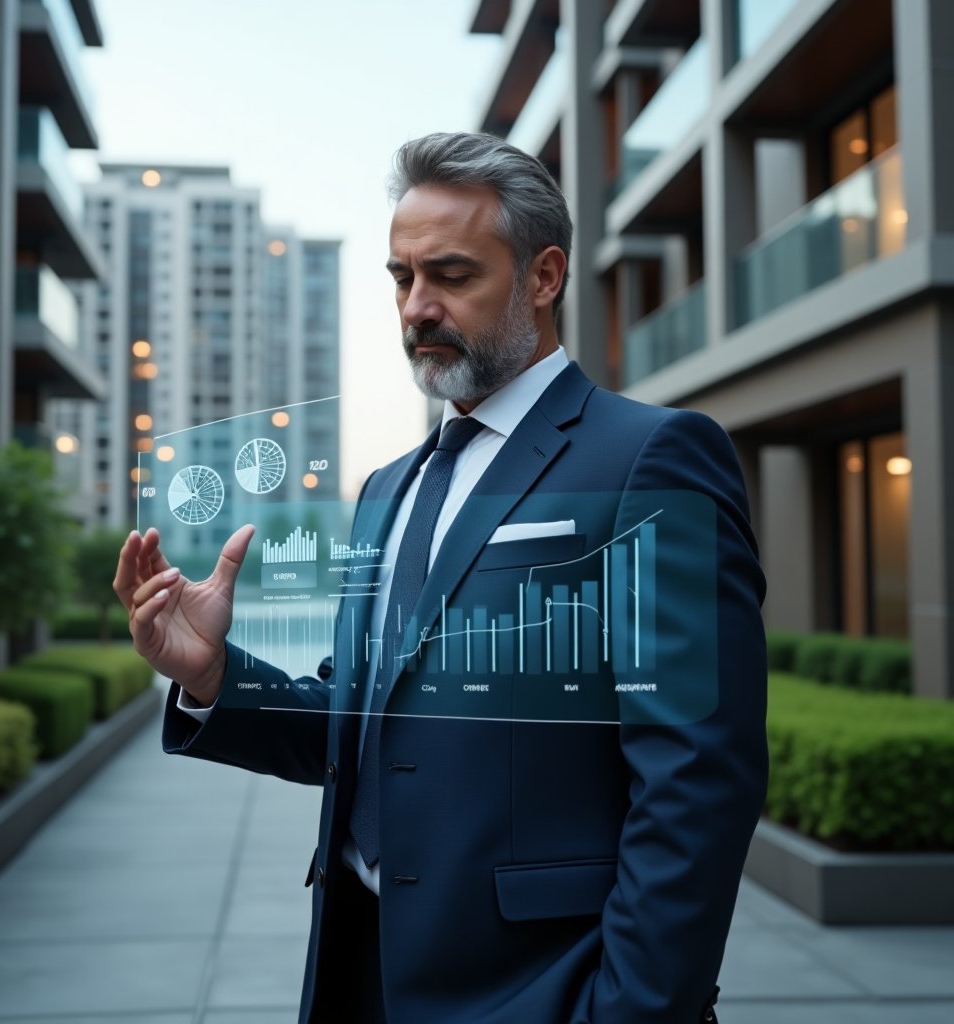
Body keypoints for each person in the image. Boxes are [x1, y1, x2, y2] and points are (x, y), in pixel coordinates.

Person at [114, 132, 767, 1023]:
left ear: (544, 277)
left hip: (539, 990)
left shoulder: (651, 457)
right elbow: (364, 725)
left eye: (452, 276)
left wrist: (627, 1010)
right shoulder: (387, 489)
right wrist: (213, 675)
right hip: (360, 975)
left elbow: (698, 778)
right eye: (401, 278)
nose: (417, 307)